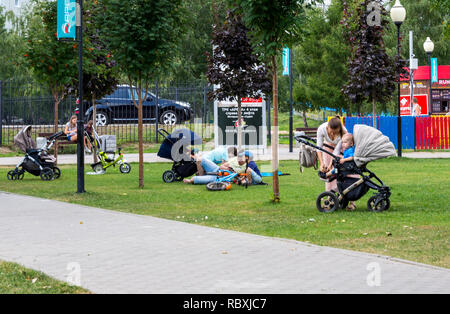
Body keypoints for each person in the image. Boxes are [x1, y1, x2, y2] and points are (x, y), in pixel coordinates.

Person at [316, 116, 356, 210]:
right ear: (327, 127)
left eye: (336, 132)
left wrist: (331, 164)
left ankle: (352, 202)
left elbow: (337, 150)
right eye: (331, 131)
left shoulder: (343, 131)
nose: (333, 134)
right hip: (327, 149)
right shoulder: (322, 129)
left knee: (347, 173)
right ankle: (330, 199)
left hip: (342, 150)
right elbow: (319, 147)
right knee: (330, 175)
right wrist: (322, 163)